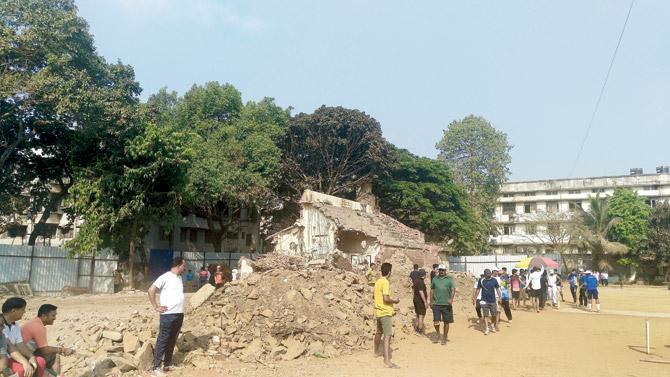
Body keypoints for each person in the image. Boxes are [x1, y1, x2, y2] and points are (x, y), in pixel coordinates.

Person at [148, 257, 186, 375]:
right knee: (163, 339)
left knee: (172, 339)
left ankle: (167, 364)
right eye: (184, 266)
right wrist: (156, 306)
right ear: (179, 266)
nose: (185, 268)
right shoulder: (165, 276)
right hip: (168, 315)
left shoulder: (179, 278)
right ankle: (156, 367)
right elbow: (151, 290)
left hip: (179, 314)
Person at [21, 304, 75, 376]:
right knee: (51, 356)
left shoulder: (35, 322)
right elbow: (45, 350)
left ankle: (55, 374)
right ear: (44, 316)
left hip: (26, 353)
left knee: (54, 356)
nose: (55, 318)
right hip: (23, 357)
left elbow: (42, 348)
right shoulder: (38, 327)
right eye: (53, 316)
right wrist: (63, 350)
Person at [2, 297, 46, 377]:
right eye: (23, 309)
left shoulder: (15, 326)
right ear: (13, 311)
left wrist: (31, 356)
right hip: (3, 359)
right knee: (22, 370)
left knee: (39, 361)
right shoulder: (1, 324)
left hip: (12, 356)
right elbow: (9, 347)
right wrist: (25, 362)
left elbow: (20, 345)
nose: (24, 312)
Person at [373, 262, 400, 369]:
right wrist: (395, 300)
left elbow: (374, 296)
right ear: (389, 272)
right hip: (385, 312)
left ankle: (375, 352)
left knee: (379, 332)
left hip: (378, 312)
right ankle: (387, 361)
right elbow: (386, 299)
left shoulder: (377, 282)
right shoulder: (385, 282)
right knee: (387, 336)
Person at [429, 264, 456, 345]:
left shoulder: (450, 279)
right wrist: (430, 301)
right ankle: (437, 334)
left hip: (446, 304)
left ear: (445, 271)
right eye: (440, 270)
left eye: (443, 270)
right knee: (436, 321)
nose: (441, 271)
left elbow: (453, 289)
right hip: (436, 303)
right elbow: (432, 290)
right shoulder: (435, 279)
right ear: (438, 270)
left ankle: (444, 337)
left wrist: (451, 299)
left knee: (446, 322)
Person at [474, 269, 501, 335]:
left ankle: (492, 325)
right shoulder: (481, 280)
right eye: (487, 273)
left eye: (489, 273)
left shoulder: (494, 280)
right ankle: (487, 328)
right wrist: (475, 298)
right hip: (484, 300)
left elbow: (497, 288)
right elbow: (478, 289)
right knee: (486, 315)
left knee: (494, 314)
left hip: (492, 300)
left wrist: (500, 297)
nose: (489, 274)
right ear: (485, 274)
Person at [412, 269, 428, 334]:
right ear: (424, 275)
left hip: (415, 299)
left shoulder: (415, 281)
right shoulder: (421, 282)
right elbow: (421, 292)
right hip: (420, 301)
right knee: (421, 315)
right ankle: (420, 330)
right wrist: (425, 302)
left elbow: (413, 289)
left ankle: (416, 329)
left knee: (417, 314)